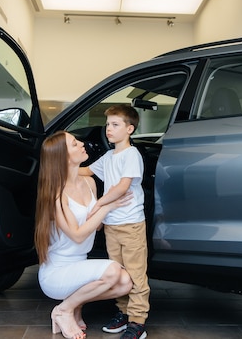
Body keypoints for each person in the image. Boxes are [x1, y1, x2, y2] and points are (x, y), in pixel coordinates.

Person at [35, 131, 134, 339]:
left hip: (79, 264)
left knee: (125, 282)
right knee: (114, 270)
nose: (82, 144)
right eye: (74, 143)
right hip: (57, 272)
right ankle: (64, 310)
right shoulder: (56, 194)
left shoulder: (89, 183)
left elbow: (95, 227)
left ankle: (70, 306)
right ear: (63, 156)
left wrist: (108, 204)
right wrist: (108, 207)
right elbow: (78, 236)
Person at [80, 105, 150, 339]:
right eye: (108, 124)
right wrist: (62, 167)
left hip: (131, 226)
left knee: (136, 274)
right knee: (119, 273)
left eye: (115, 124)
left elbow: (122, 187)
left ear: (129, 129)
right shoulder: (109, 156)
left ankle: (137, 321)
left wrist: (99, 204)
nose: (109, 128)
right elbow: (87, 171)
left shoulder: (131, 155)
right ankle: (123, 312)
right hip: (112, 226)